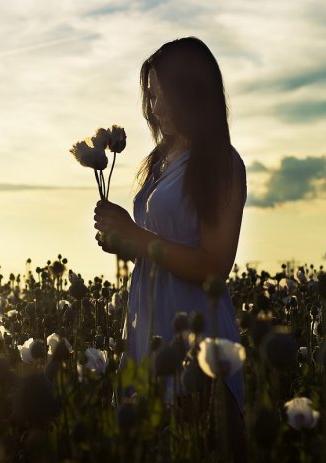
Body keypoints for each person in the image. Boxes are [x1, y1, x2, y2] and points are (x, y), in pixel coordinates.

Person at [93, 37, 247, 460]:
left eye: (161, 95)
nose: (154, 108)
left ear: (191, 94)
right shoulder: (160, 161)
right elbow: (160, 243)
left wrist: (136, 237)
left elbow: (215, 265)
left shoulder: (221, 162)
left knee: (200, 441)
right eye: (150, 95)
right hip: (148, 325)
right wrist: (123, 241)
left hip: (197, 329)